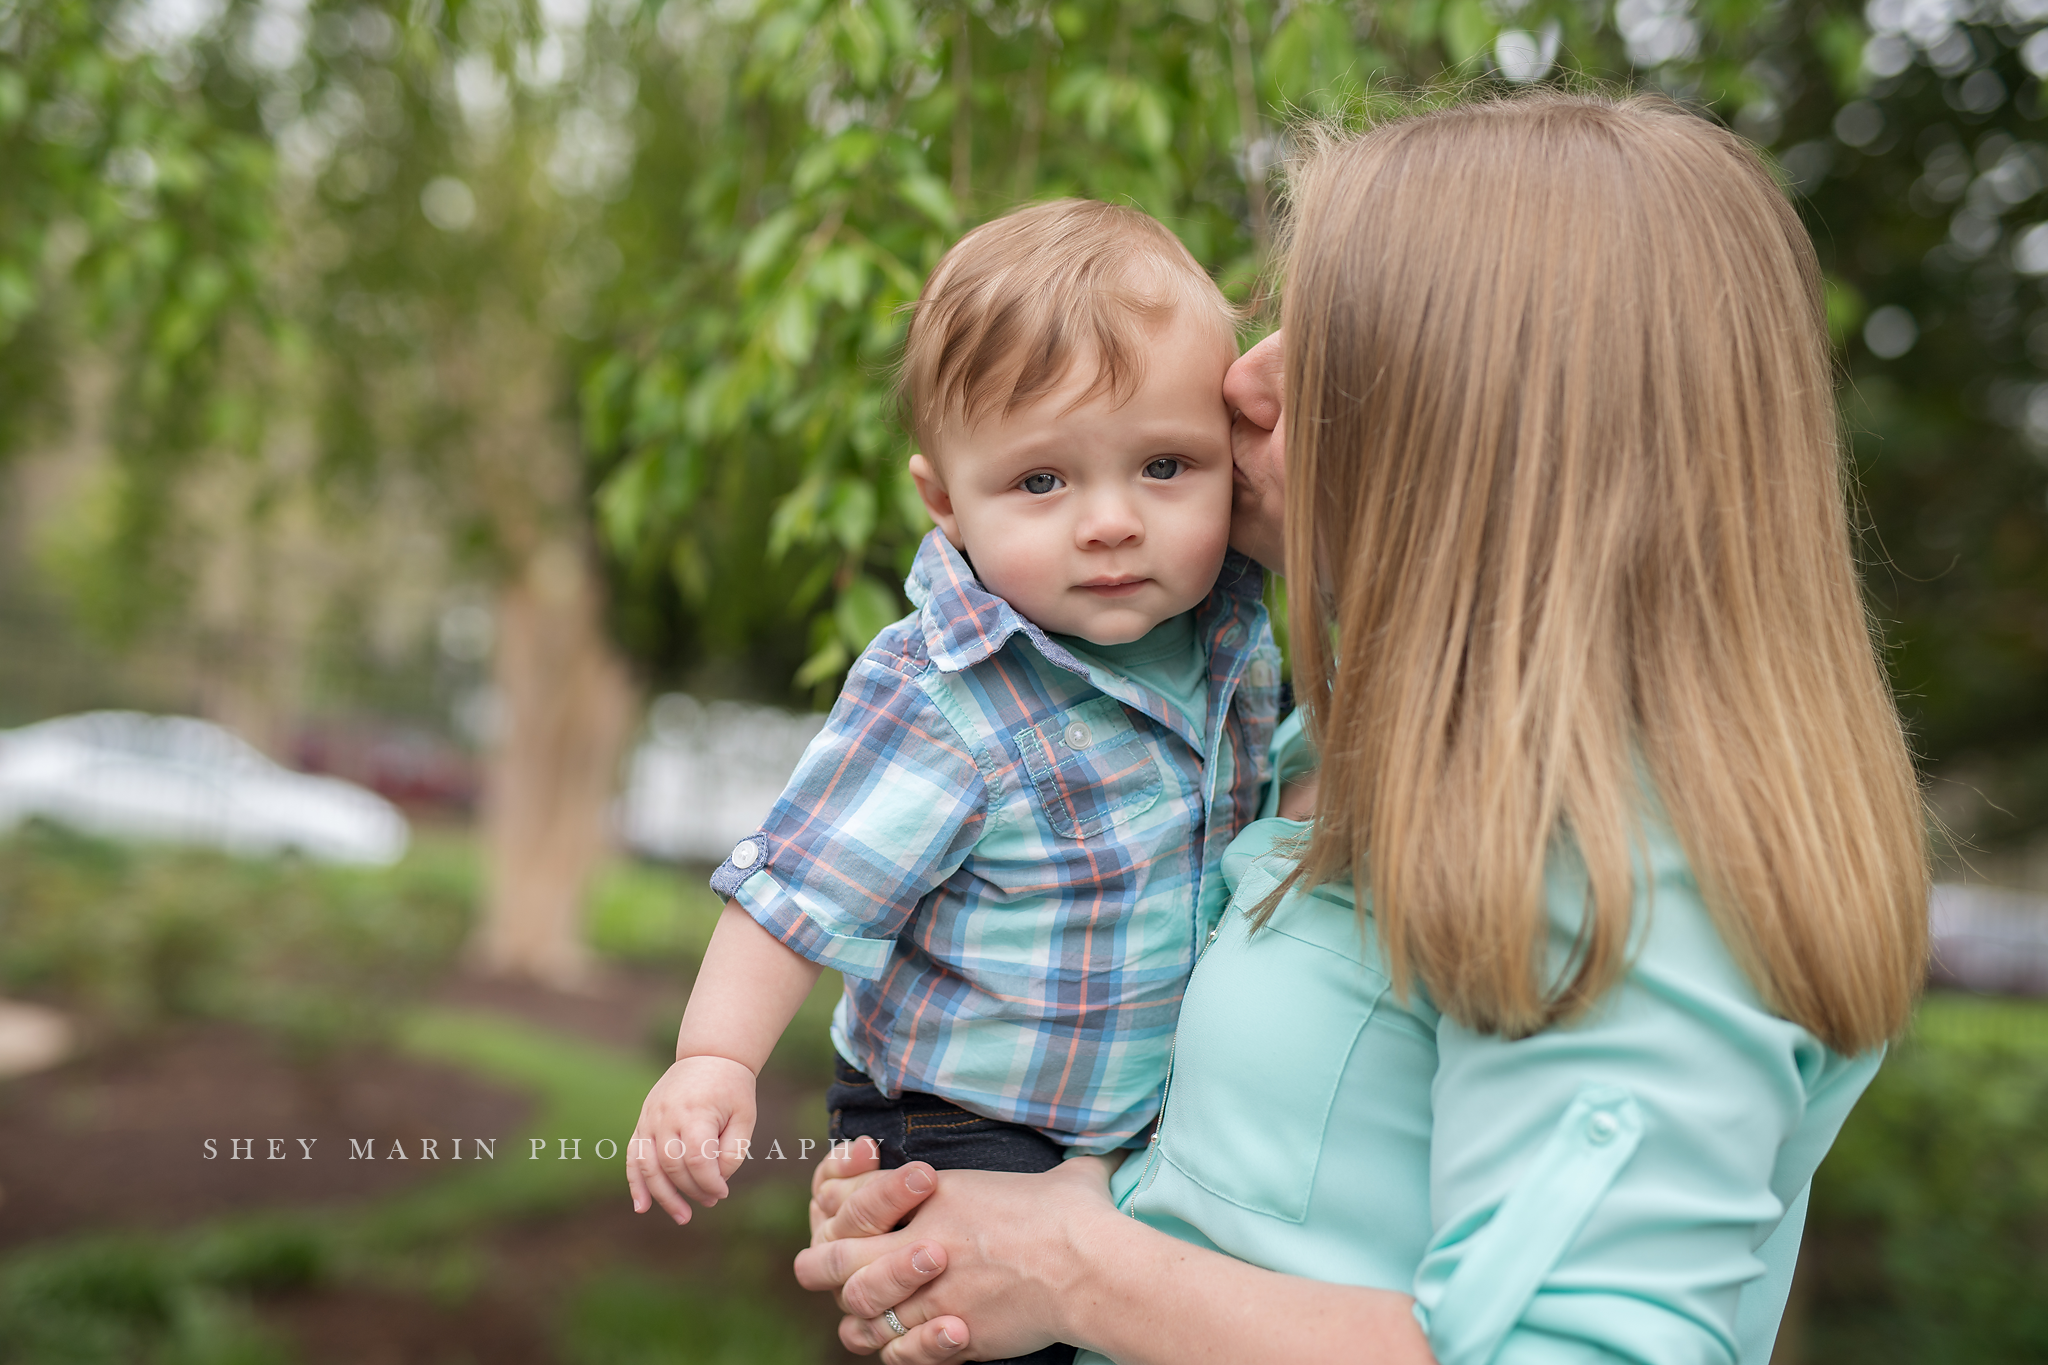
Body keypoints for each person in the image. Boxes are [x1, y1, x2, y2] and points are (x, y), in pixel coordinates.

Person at [791, 91, 1930, 1365]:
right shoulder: (1323, 732)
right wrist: (952, 1195)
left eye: (1329, 338)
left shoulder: (1620, 852)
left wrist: (1074, 1271)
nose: (1242, 377)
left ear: (1493, 419)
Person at [627, 199, 1286, 1364]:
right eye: (1041, 483)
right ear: (944, 503)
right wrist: (711, 1061)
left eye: (1164, 465)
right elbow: (798, 888)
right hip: (959, 1125)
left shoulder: (1235, 635)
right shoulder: (948, 690)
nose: (1110, 522)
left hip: (1134, 1126)